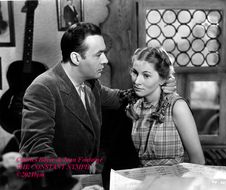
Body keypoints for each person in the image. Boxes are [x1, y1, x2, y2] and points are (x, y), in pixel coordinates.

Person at [19, 23, 176, 171]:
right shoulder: (43, 88)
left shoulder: (91, 84)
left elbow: (119, 98)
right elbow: (36, 153)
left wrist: (156, 83)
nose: (105, 60)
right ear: (75, 58)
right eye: (99, 54)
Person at [126, 47, 205, 166]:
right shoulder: (134, 106)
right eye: (135, 73)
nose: (137, 81)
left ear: (162, 79)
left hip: (174, 182)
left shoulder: (177, 107)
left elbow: (198, 161)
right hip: (141, 181)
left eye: (146, 75)